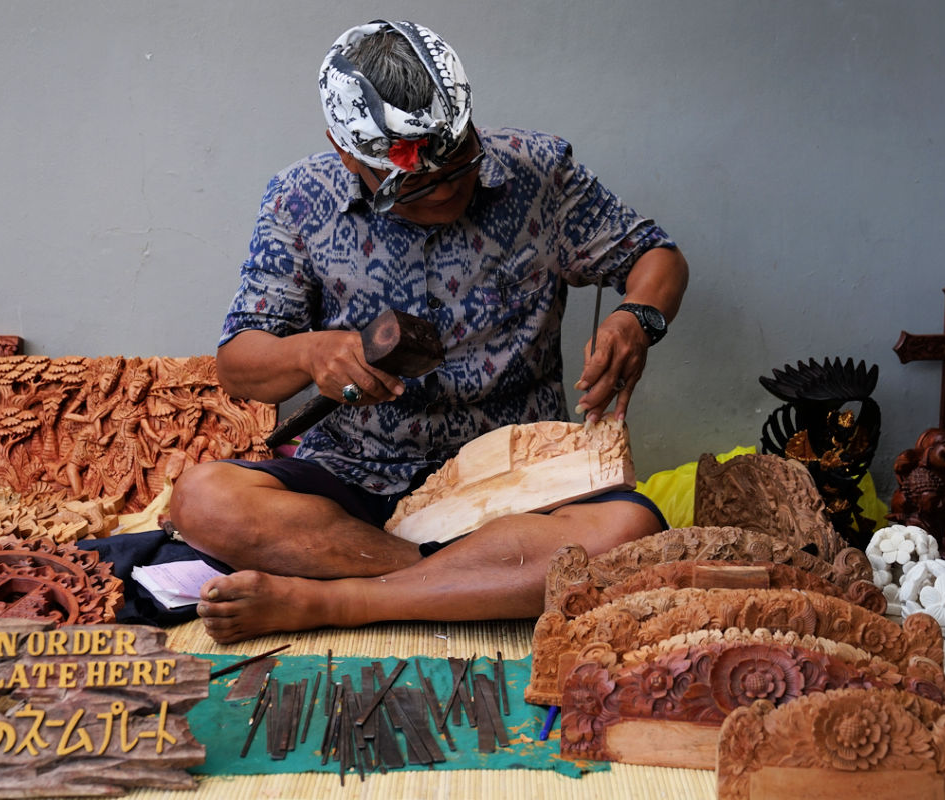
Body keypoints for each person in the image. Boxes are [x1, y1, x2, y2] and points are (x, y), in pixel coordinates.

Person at [170, 20, 689, 643]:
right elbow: (239, 363)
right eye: (414, 185)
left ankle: (341, 601)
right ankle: (456, 580)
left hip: (516, 486)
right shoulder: (298, 199)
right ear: (346, 153)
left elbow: (655, 257)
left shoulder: (538, 170)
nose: (445, 191)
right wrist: (312, 353)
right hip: (355, 482)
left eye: (460, 164)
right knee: (202, 499)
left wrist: (638, 316)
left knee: (628, 534)